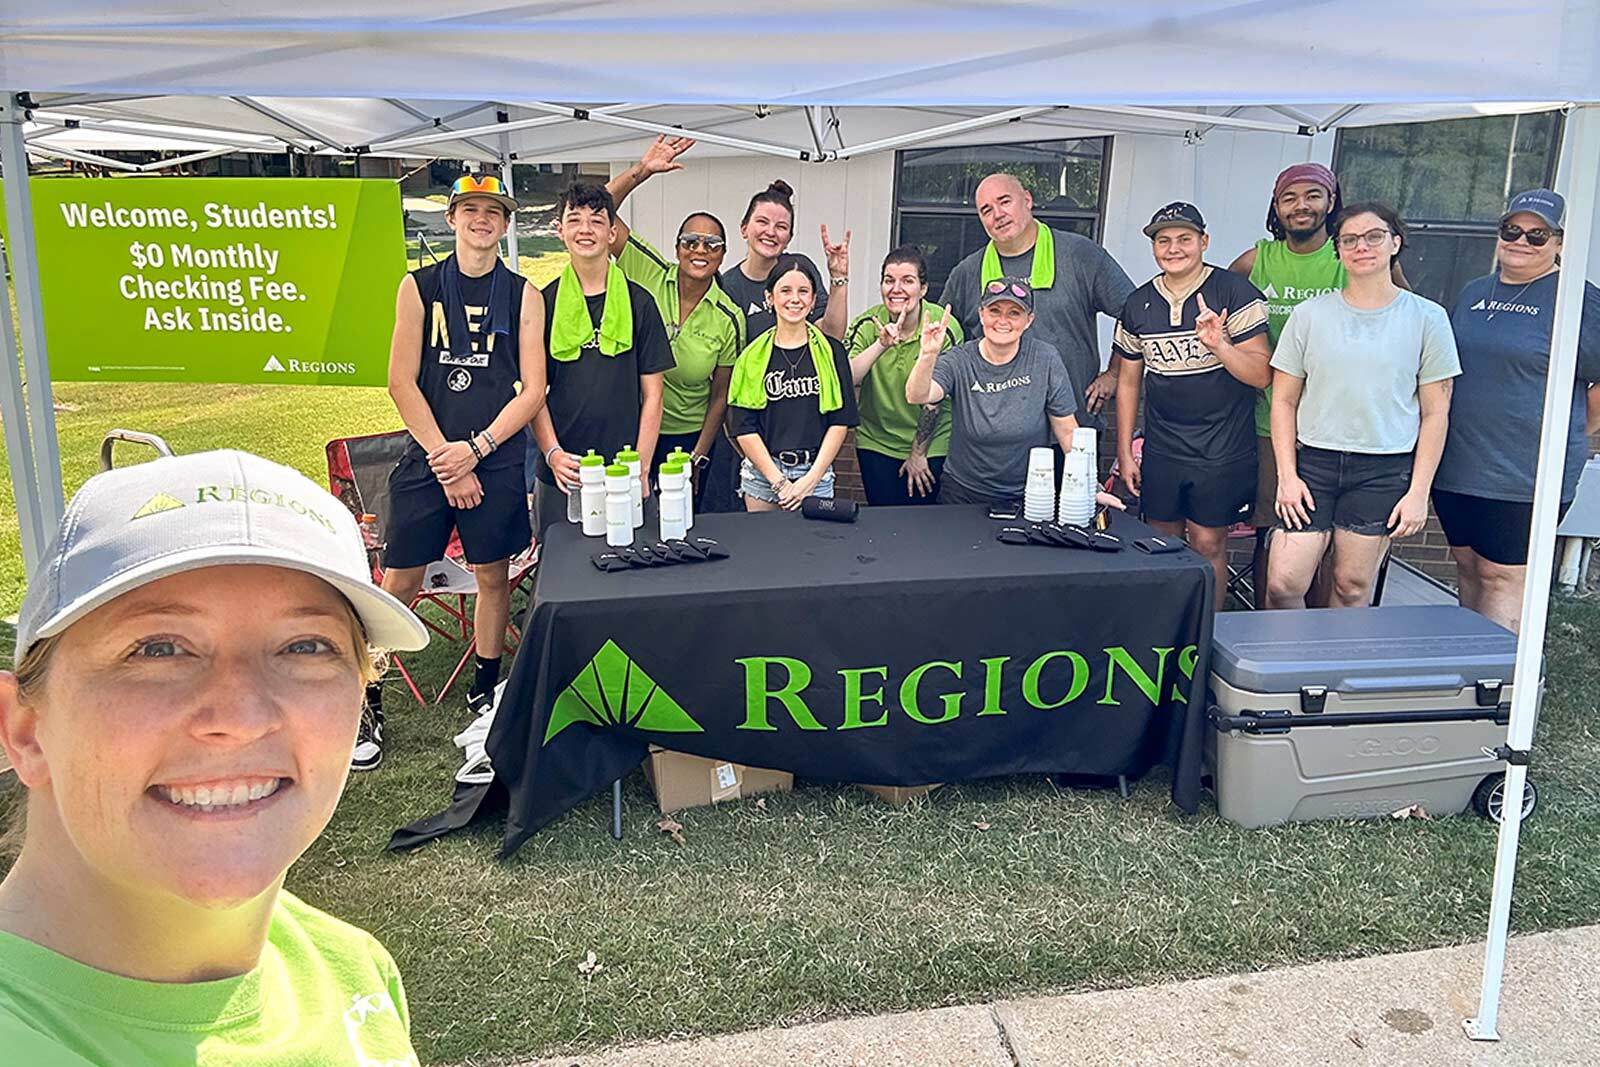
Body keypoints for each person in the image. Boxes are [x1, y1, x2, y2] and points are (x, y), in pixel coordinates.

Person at [0, 449, 430, 1065]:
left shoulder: (352, 969)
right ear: (25, 731)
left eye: (306, 646)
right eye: (157, 650)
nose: (241, 717)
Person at [373, 172, 545, 768]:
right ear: (451, 219)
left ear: (505, 223)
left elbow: (533, 388)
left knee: (492, 577)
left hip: (492, 458)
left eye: (492, 212)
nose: (481, 220)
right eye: (470, 209)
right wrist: (448, 458)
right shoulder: (418, 286)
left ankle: (486, 681)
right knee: (400, 581)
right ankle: (368, 697)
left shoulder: (524, 294)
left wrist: (475, 452)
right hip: (428, 455)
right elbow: (400, 381)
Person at [1229, 162, 1409, 606]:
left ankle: (1323, 637)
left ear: (1331, 202)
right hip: (1274, 422)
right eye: (1289, 198)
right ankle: (1269, 630)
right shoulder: (1257, 261)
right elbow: (1215, 305)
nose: (1301, 206)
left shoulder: (1350, 254)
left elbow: (1403, 311)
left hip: (1346, 426)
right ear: (1276, 207)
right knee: (1276, 533)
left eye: (1312, 195)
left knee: (1339, 557)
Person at [1267, 203, 1460, 609]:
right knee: (1285, 583)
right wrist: (1287, 475)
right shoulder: (1309, 316)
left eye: (1374, 236)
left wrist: (1418, 492)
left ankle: (1333, 669)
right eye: (1349, 240)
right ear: (1338, 250)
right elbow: (1283, 400)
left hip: (1384, 468)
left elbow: (1436, 412)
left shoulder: (1427, 318)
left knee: (1352, 585)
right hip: (1314, 463)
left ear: (1395, 242)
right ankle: (1294, 666)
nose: (1362, 247)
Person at [1432, 188, 1600, 632]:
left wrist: (1575, 428)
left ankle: (1505, 685)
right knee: (1468, 567)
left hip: (1527, 474)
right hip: (1459, 466)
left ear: (1560, 242)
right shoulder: (1473, 292)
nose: (1522, 241)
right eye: (1512, 230)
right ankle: (1473, 675)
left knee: (1503, 575)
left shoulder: (1578, 300)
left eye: (1538, 235)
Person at [1114, 203, 1271, 608]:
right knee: (1161, 542)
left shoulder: (1234, 292)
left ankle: (1207, 632)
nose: (1174, 248)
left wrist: (1219, 345)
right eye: (1163, 240)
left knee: (1207, 542)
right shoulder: (1137, 303)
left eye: (1185, 238)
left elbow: (1261, 374)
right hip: (1164, 445)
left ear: (1204, 241)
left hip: (1223, 447)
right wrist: (1125, 452)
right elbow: (1129, 380)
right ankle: (1168, 634)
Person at [604, 135, 746, 510]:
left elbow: (719, 398)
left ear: (723, 254)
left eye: (711, 244)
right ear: (677, 246)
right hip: (630, 426)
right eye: (691, 240)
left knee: (677, 523)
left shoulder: (729, 316)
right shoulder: (648, 270)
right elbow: (599, 212)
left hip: (687, 439)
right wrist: (642, 171)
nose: (700, 250)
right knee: (629, 518)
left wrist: (698, 455)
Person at [529, 182, 674, 533]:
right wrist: (552, 453)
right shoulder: (540, 303)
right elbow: (533, 393)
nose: (585, 229)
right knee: (559, 573)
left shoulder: (640, 303)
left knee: (630, 569)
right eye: (574, 219)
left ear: (612, 232)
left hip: (624, 467)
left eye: (596, 220)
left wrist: (641, 466)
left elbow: (654, 394)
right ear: (559, 230)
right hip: (563, 470)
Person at [907, 277, 1120, 510]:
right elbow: (918, 395)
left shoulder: (1045, 358)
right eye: (994, 310)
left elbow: (1067, 429)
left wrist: (1092, 486)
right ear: (981, 314)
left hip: (1028, 493)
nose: (1002, 321)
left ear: (1029, 320)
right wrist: (927, 355)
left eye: (1014, 313)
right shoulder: (960, 359)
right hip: (963, 491)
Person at [941, 173, 1134, 429]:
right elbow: (944, 340)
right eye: (986, 210)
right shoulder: (967, 273)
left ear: (1027, 200)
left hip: (1073, 423)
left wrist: (1114, 373)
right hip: (993, 434)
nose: (997, 214)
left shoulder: (1080, 255)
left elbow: (1135, 313)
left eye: (1005, 201)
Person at [728, 255, 859, 510]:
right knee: (766, 549)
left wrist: (810, 481)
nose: (794, 299)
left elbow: (840, 421)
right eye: (785, 290)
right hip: (763, 477)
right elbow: (744, 427)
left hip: (816, 473)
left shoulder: (833, 352)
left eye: (803, 291)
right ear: (770, 298)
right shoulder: (751, 357)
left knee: (814, 549)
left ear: (812, 301)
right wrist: (780, 483)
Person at [845, 246, 962, 505]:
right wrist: (881, 344)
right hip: (877, 441)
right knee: (882, 521)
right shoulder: (868, 324)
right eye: (889, 280)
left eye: (907, 281)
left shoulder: (943, 327)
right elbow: (848, 378)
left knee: (923, 524)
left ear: (923, 289)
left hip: (931, 442)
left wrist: (918, 452)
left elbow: (937, 395)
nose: (896, 289)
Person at [720, 180, 850, 341]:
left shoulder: (800, 270)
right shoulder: (727, 286)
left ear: (789, 238)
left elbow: (832, 335)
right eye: (762, 222)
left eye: (781, 226)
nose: (770, 232)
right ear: (744, 228)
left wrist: (838, 276)